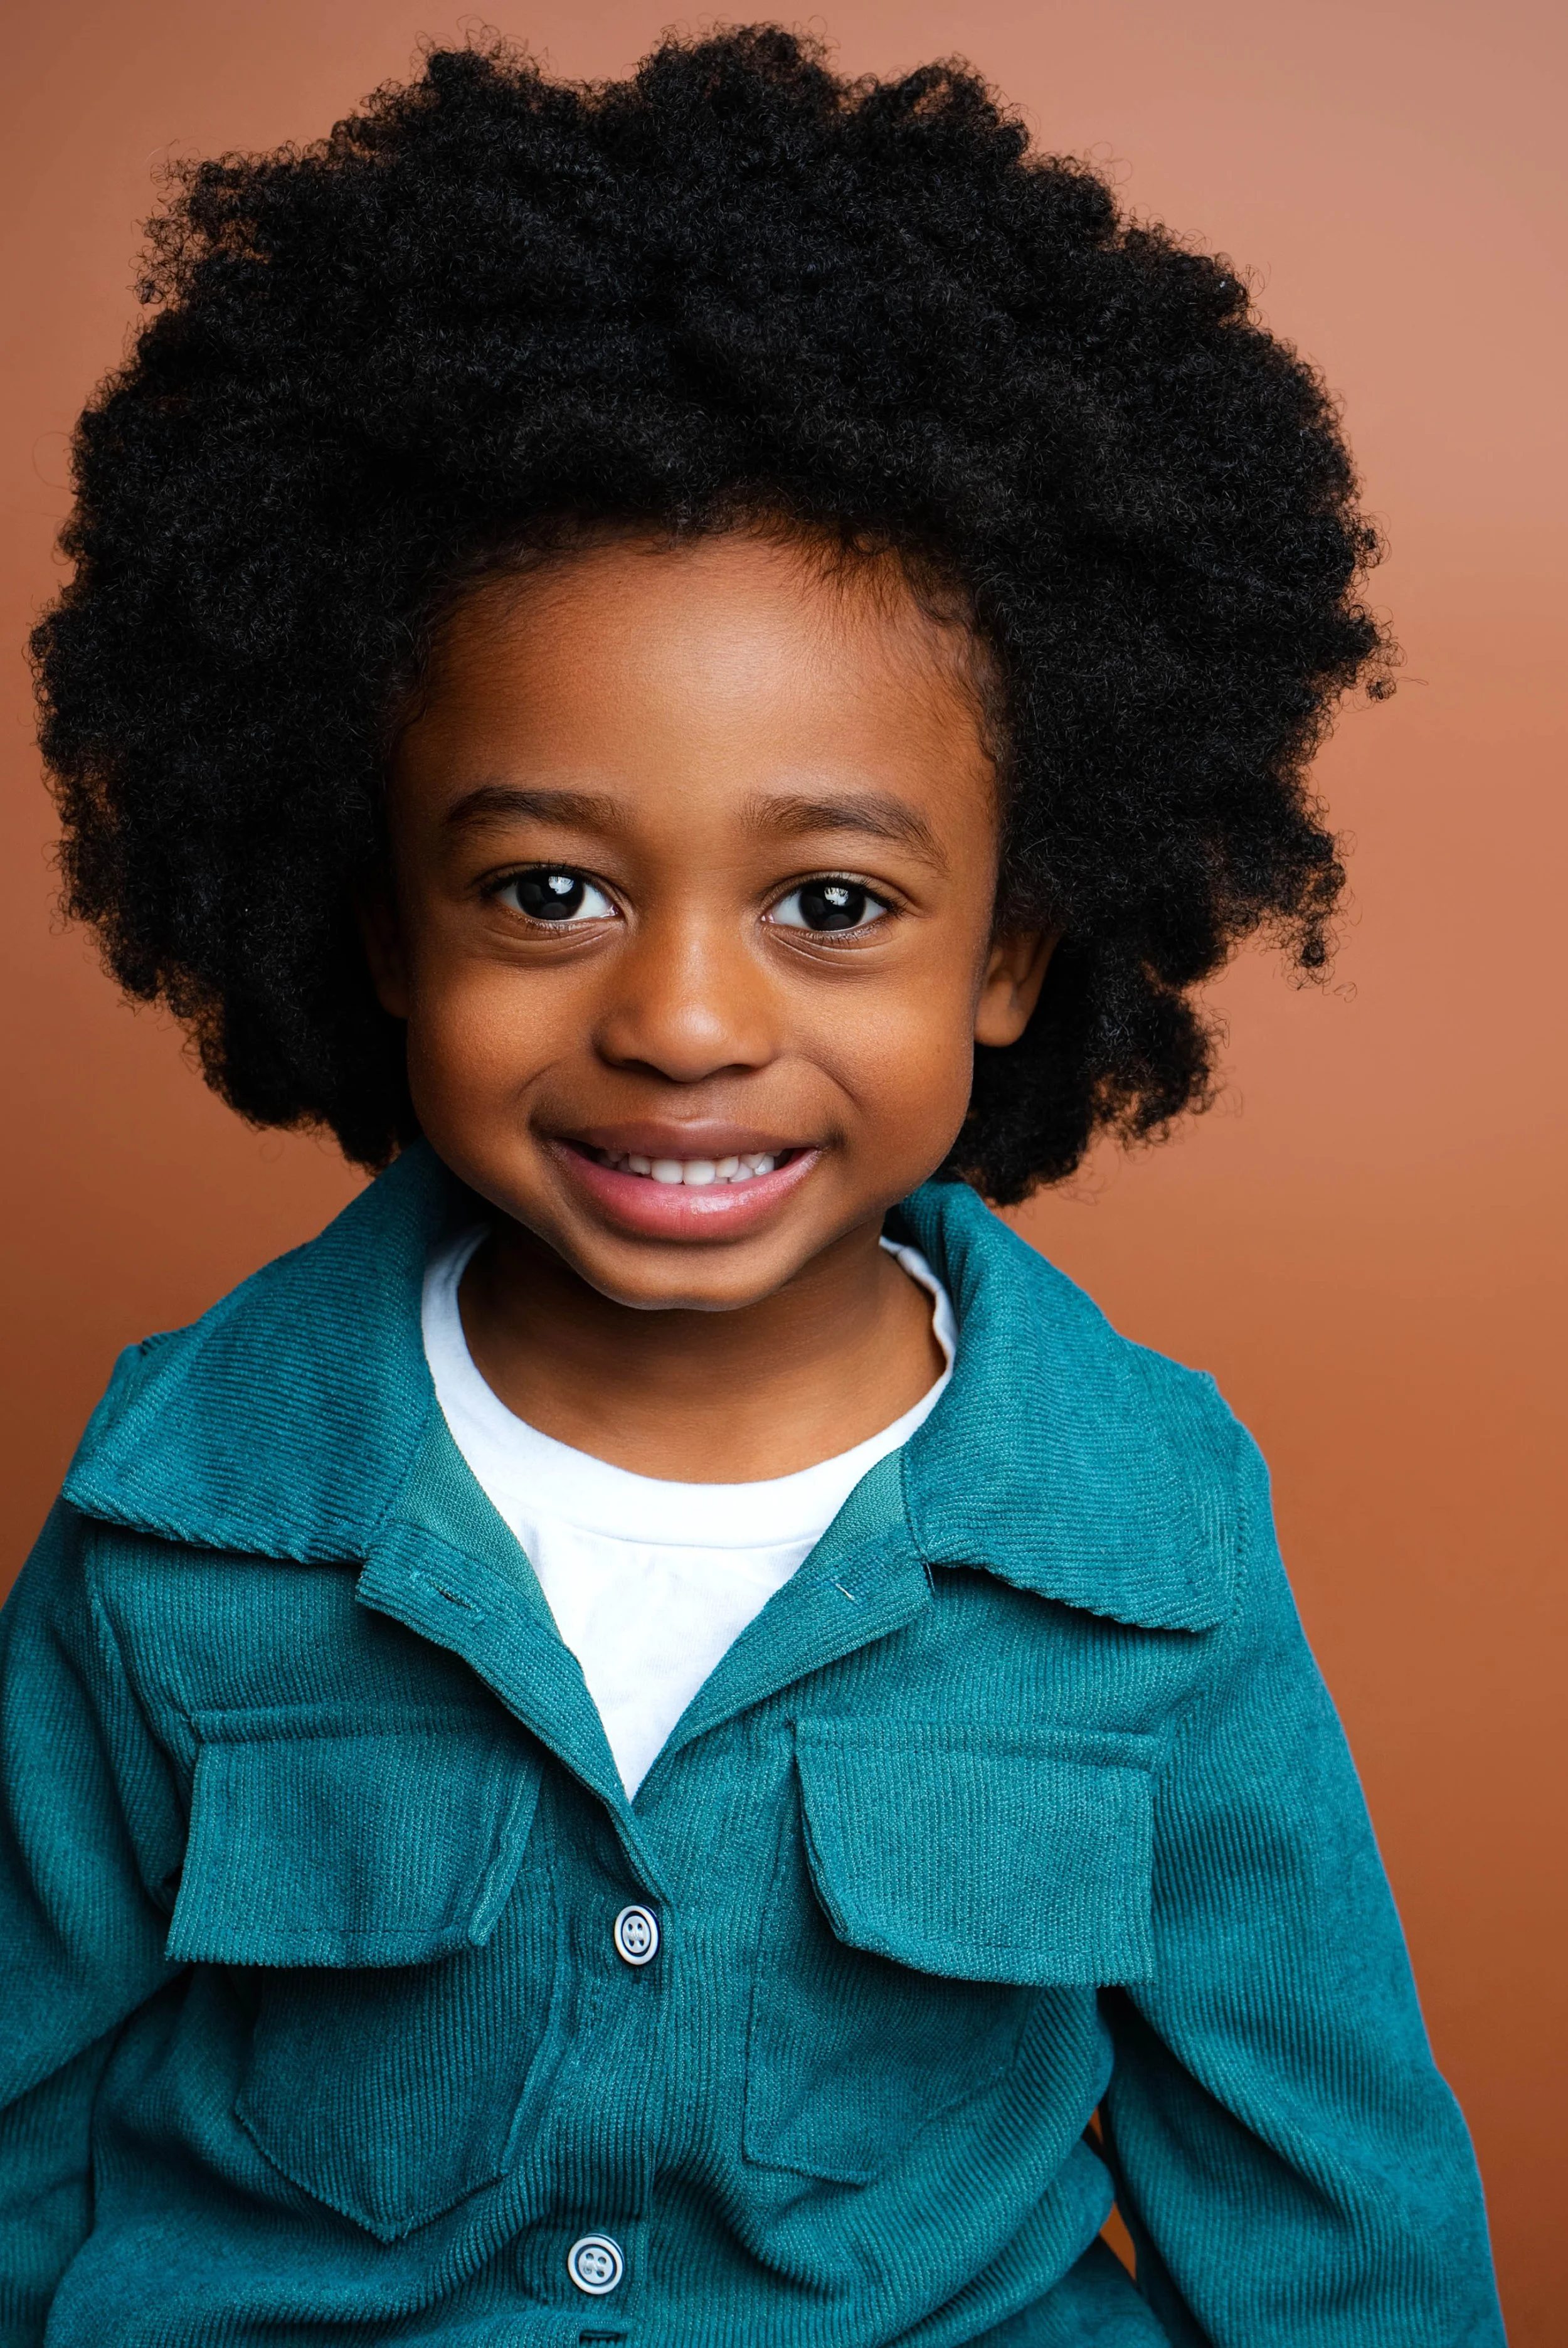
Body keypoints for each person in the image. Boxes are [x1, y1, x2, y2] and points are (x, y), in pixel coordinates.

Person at [0, 28, 1502, 2347]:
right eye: (545, 894)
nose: (683, 1023)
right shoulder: (177, 1516)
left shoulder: (1146, 1534)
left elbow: (1324, 2198)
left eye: (830, 907)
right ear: (381, 920)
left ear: (1015, 948)